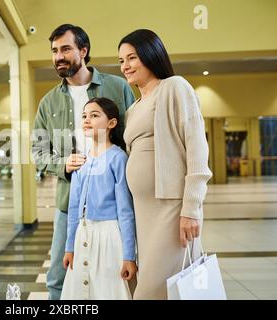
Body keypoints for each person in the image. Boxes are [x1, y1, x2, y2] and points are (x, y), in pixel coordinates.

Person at [31, 23, 135, 300]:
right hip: (70, 203)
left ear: (83, 51)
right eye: (54, 51)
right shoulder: (48, 102)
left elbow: (134, 140)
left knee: (115, 275)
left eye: (65, 48)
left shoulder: (118, 87)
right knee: (58, 275)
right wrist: (63, 164)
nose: (58, 56)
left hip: (114, 207)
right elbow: (37, 152)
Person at [118, 29, 212, 299]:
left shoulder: (174, 87)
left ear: (151, 55)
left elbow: (196, 148)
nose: (125, 66)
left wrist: (191, 208)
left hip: (171, 208)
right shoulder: (134, 107)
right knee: (164, 289)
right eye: (121, 60)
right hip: (143, 212)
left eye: (132, 57)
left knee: (151, 291)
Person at [61, 97, 136, 300]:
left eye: (94, 115)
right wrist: (69, 247)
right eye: (84, 116)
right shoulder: (80, 160)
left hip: (109, 237)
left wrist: (129, 255)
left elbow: (125, 211)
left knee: (106, 291)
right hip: (81, 236)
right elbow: (74, 207)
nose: (87, 119)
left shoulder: (118, 159)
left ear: (111, 123)